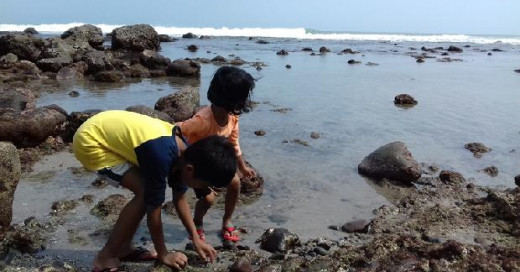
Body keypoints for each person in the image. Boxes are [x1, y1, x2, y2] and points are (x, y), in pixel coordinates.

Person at [72, 110, 237, 272]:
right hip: (92, 141)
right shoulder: (161, 157)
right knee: (144, 193)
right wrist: (163, 253)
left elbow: (180, 199)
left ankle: (123, 248)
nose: (201, 190)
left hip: (109, 131)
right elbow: (154, 213)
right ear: (189, 170)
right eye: (202, 185)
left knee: (145, 191)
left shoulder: (187, 154)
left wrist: (195, 237)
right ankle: (104, 257)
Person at [176, 66, 256, 243]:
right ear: (236, 100)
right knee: (209, 199)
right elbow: (177, 130)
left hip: (214, 164)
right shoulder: (202, 121)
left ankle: (227, 219)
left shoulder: (232, 117)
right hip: (197, 167)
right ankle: (197, 221)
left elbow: (233, 142)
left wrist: (242, 166)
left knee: (235, 183)